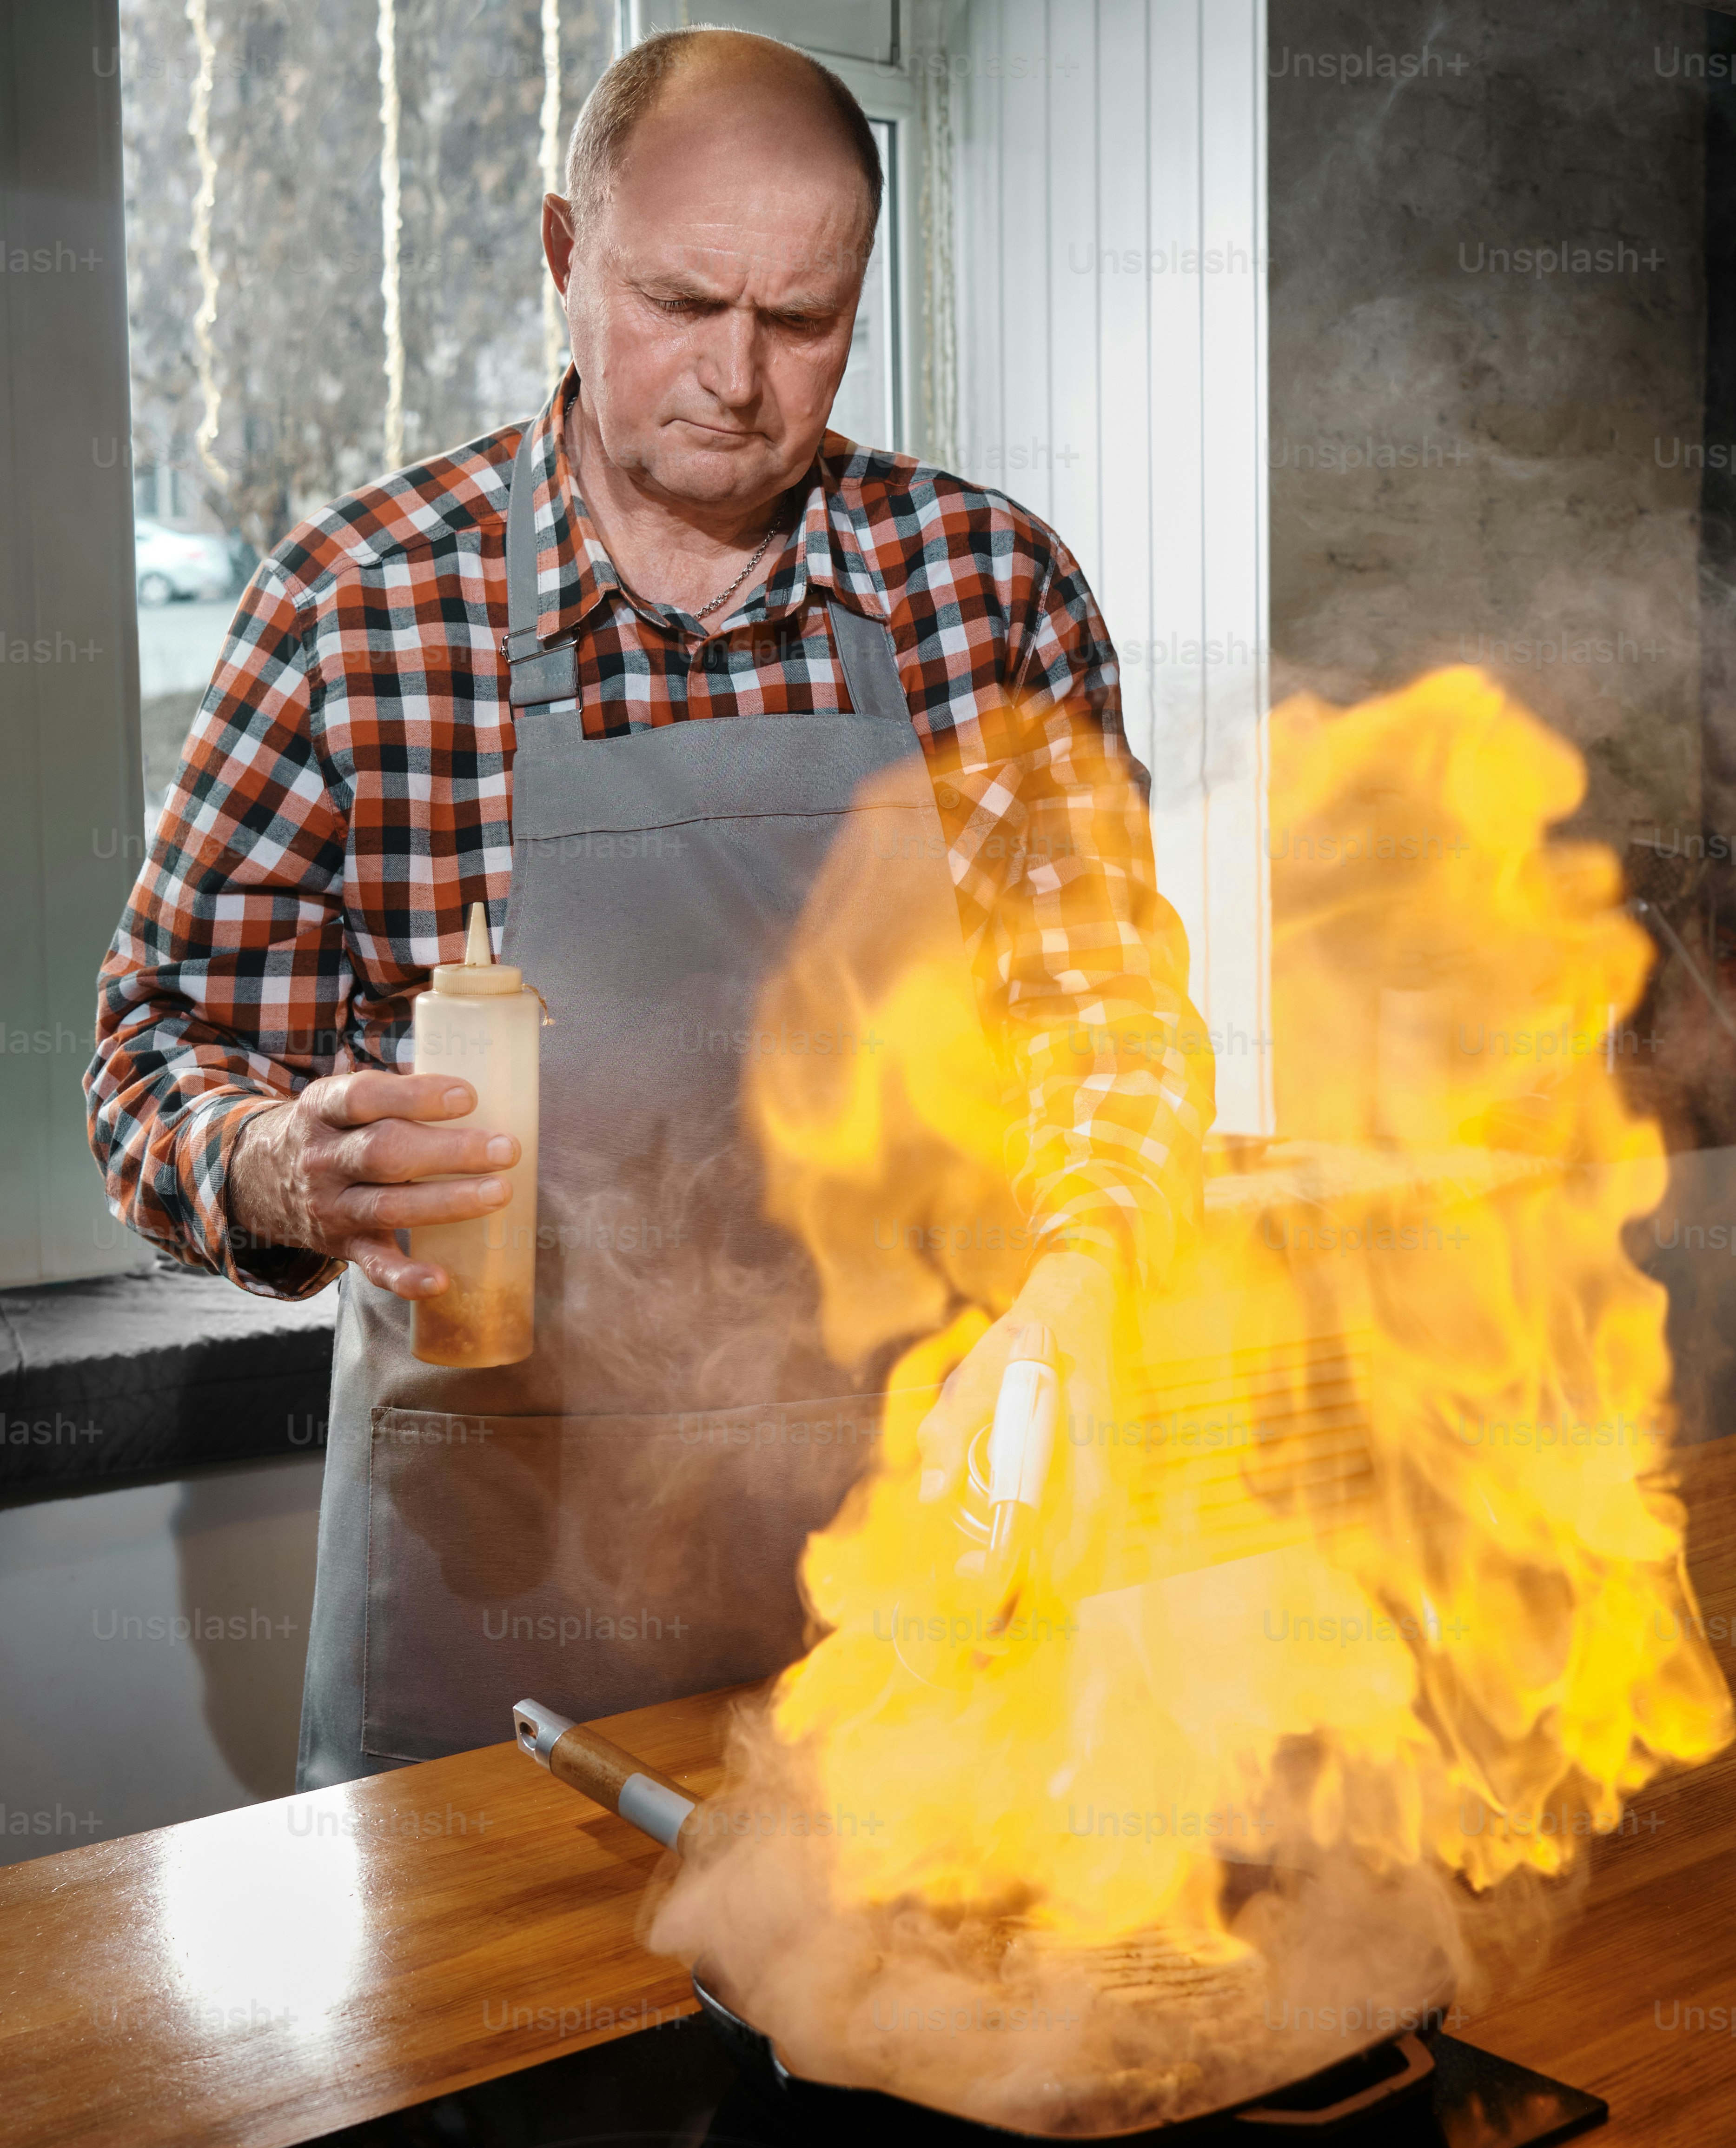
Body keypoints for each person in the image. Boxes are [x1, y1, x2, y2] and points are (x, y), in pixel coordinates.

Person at [87, 27, 1214, 1789]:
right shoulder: (357, 612)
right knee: (495, 2071)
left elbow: (1109, 1020)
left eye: (803, 319)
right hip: (487, 1637)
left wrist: (1084, 1275)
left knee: (892, 2063)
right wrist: (278, 1164)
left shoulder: (986, 592)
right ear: (561, 254)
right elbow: (159, 1050)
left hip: (916, 1595)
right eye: (682, 302)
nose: (741, 379)